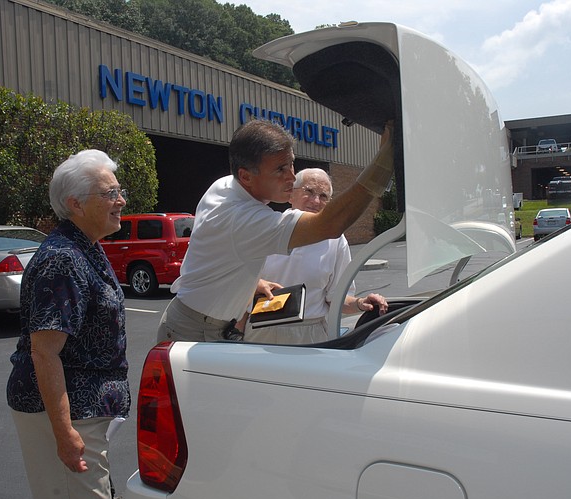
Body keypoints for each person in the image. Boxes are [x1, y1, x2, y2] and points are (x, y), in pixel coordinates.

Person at [156, 118, 394, 343]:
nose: (291, 177)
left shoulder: (225, 187)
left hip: (202, 321)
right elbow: (331, 224)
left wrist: (253, 284)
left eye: (291, 164)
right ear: (246, 176)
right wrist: (385, 162)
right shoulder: (246, 220)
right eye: (280, 169)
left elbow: (222, 259)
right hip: (196, 331)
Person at [6, 149, 130, 499]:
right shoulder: (63, 259)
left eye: (118, 191)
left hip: (86, 411)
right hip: (68, 415)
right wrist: (64, 433)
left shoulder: (85, 247)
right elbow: (44, 351)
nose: (121, 200)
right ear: (75, 204)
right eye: (110, 193)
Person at [245, 168, 388, 345]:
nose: (315, 201)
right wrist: (256, 284)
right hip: (262, 330)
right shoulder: (267, 228)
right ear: (290, 195)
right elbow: (233, 279)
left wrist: (360, 303)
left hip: (311, 334)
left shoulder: (335, 240)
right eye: (309, 192)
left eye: (323, 196)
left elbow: (336, 299)